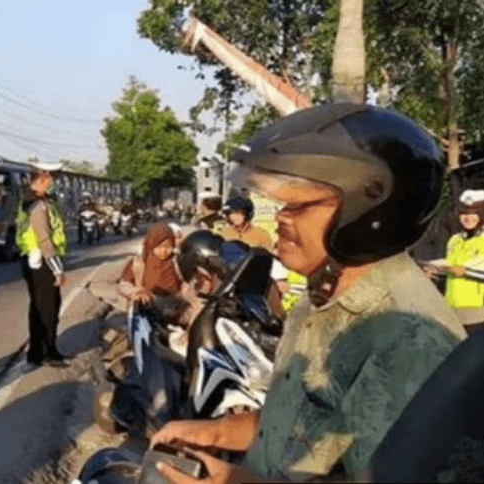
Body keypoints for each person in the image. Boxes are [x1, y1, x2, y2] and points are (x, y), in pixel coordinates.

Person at [149, 103, 467, 484]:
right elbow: (296, 417)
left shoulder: (408, 339)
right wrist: (214, 432)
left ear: (367, 212)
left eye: (298, 205)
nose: (281, 217)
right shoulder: (322, 290)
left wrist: (232, 481)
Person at [17, 160, 69, 367]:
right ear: (42, 177)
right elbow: (44, 238)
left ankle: (36, 352)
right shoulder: (38, 205)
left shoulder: (32, 200)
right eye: (52, 177)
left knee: (38, 306)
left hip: (33, 260)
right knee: (48, 307)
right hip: (42, 261)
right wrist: (58, 269)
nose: (54, 182)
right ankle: (48, 351)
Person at [424, 189, 484, 309]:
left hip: (478, 310)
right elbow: (451, 264)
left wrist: (466, 272)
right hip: (452, 306)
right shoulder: (455, 239)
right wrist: (434, 269)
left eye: (473, 213)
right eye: (464, 213)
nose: (467, 218)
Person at [117, 222, 183, 307]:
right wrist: (135, 292)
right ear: (151, 245)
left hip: (174, 306)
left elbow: (186, 281)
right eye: (159, 247)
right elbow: (124, 284)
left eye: (168, 246)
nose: (164, 251)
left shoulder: (176, 260)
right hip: (147, 306)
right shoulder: (140, 261)